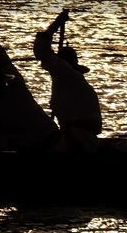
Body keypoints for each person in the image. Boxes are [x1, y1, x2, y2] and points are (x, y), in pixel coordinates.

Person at [34, 9, 102, 151]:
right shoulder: (70, 80)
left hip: (78, 143)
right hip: (79, 138)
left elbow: (42, 50)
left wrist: (57, 23)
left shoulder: (67, 74)